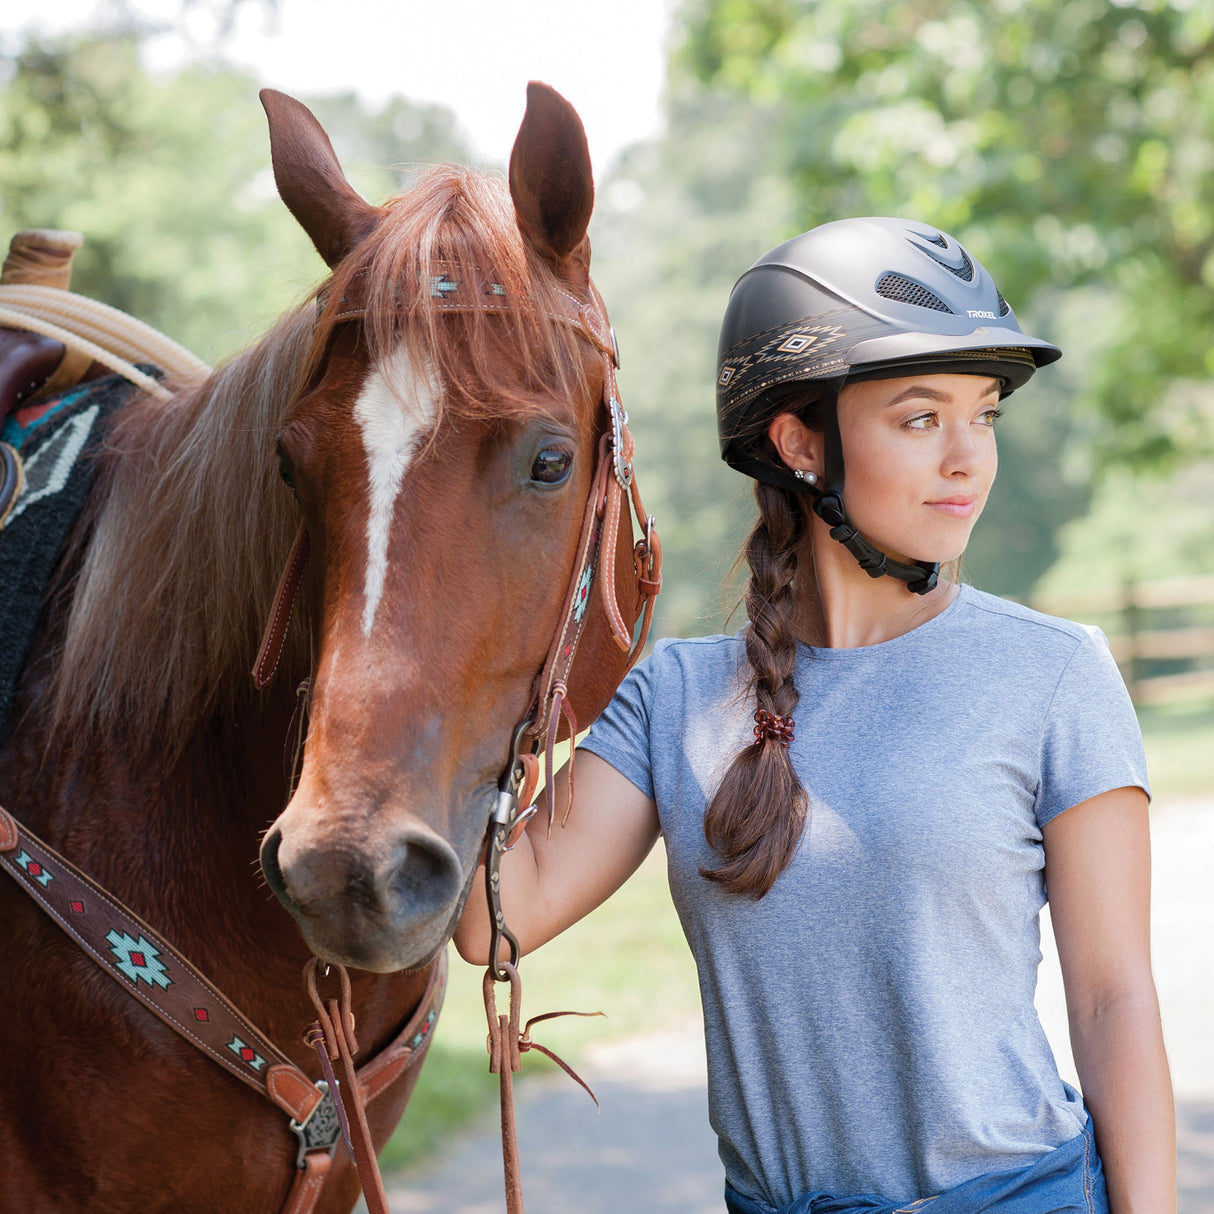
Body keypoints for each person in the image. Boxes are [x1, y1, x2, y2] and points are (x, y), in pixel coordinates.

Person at [455, 216, 1175, 1214]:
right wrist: (438, 650)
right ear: (798, 442)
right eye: (920, 418)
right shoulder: (676, 699)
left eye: (984, 415)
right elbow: (498, 915)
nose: (966, 456)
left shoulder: (1051, 675)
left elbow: (1112, 998)